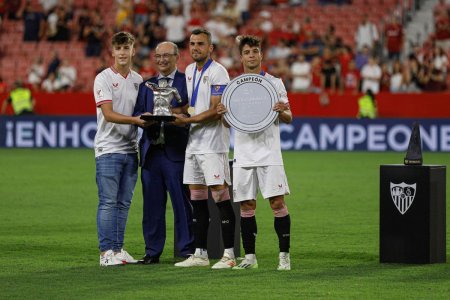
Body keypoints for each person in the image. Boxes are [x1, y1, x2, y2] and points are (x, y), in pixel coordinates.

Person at [217, 35, 292, 271]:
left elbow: (289, 117)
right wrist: (221, 113)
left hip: (269, 153)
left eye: (255, 51)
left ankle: (284, 257)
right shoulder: (234, 86)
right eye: (247, 52)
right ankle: (250, 258)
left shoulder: (275, 83)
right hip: (244, 153)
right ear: (241, 57)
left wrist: (282, 110)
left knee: (277, 203)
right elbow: (229, 123)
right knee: (247, 206)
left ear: (261, 55)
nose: (251, 55)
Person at [173, 28, 236, 269]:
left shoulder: (219, 72)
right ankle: (200, 254)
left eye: (200, 43)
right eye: (192, 43)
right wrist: (177, 111)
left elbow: (215, 110)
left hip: (213, 144)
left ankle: (229, 255)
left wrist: (186, 121)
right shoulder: (189, 71)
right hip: (194, 144)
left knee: (219, 195)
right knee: (197, 197)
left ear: (210, 48)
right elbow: (195, 105)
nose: (195, 47)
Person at [133, 41, 194, 264]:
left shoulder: (186, 83)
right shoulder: (146, 85)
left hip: (176, 151)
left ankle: (187, 250)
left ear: (177, 57)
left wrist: (181, 118)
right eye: (158, 56)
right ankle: (152, 252)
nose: (162, 60)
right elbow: (137, 112)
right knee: (151, 206)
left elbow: (192, 112)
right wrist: (145, 118)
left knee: (182, 203)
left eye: (167, 55)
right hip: (151, 152)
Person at [93, 31, 148, 267]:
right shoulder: (103, 78)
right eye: (119, 48)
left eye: (127, 48)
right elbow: (108, 113)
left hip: (129, 149)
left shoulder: (138, 80)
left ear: (133, 51)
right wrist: (136, 121)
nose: (123, 53)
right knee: (108, 202)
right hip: (108, 149)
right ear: (112, 52)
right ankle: (106, 253)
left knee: (124, 203)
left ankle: (117, 249)